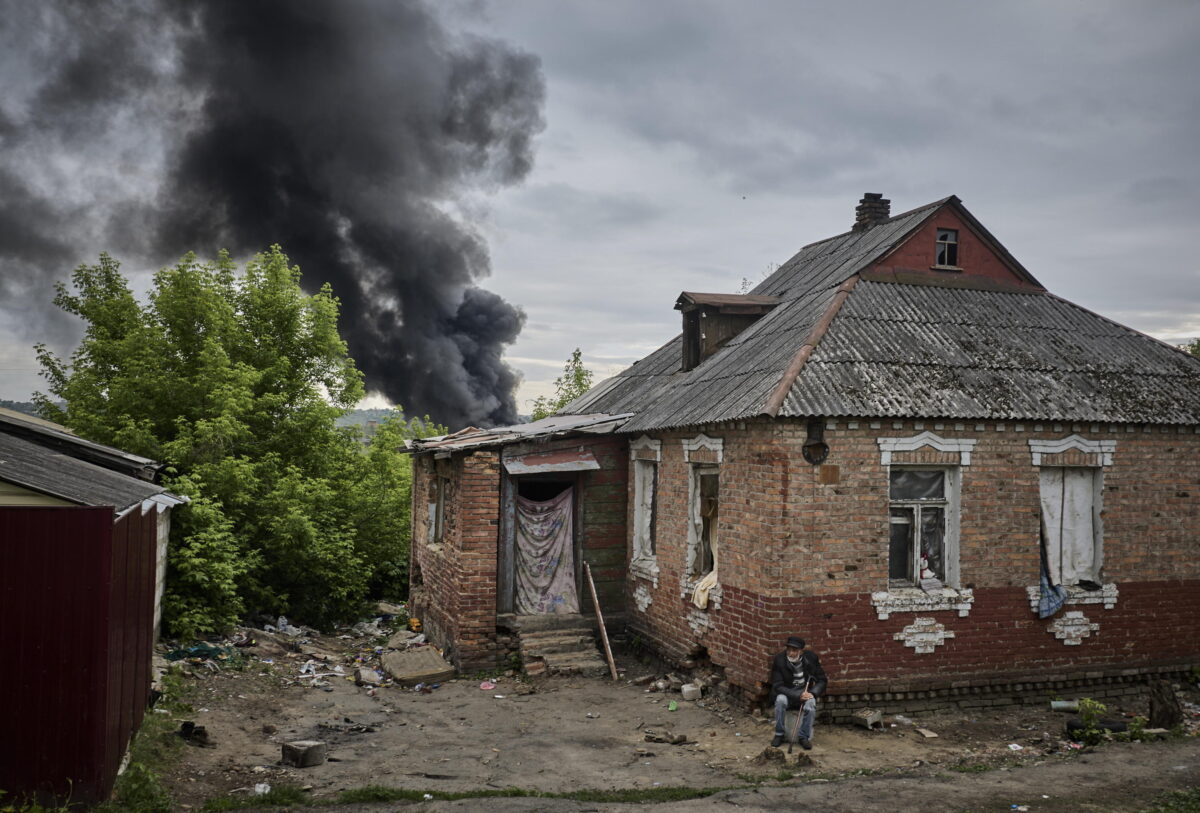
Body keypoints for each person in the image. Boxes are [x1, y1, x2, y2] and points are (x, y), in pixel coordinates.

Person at [768, 635, 827, 750]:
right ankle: (779, 734)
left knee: (811, 704)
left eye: (794, 651)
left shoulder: (811, 658)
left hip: (805, 692)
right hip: (786, 693)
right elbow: (778, 686)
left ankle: (804, 736)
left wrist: (813, 693)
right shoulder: (779, 660)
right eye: (788, 650)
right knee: (780, 701)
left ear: (801, 651)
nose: (790, 653)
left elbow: (822, 680)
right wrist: (797, 695)